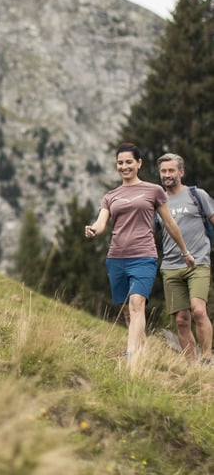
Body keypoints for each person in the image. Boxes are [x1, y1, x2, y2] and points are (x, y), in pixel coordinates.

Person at [84, 142, 194, 360]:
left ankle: (131, 356)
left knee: (137, 303)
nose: (124, 166)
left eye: (129, 162)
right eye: (120, 163)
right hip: (116, 258)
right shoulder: (110, 196)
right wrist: (93, 230)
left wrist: (185, 251)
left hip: (144, 256)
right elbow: (101, 222)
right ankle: (142, 350)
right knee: (127, 310)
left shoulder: (153, 191)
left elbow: (170, 223)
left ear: (139, 163)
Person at [156, 152, 214, 363]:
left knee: (198, 310)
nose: (167, 174)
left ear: (181, 171)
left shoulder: (197, 195)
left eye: (171, 170)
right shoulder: (158, 202)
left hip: (198, 263)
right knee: (181, 320)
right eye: (163, 171)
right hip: (171, 266)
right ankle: (192, 367)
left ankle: (206, 358)